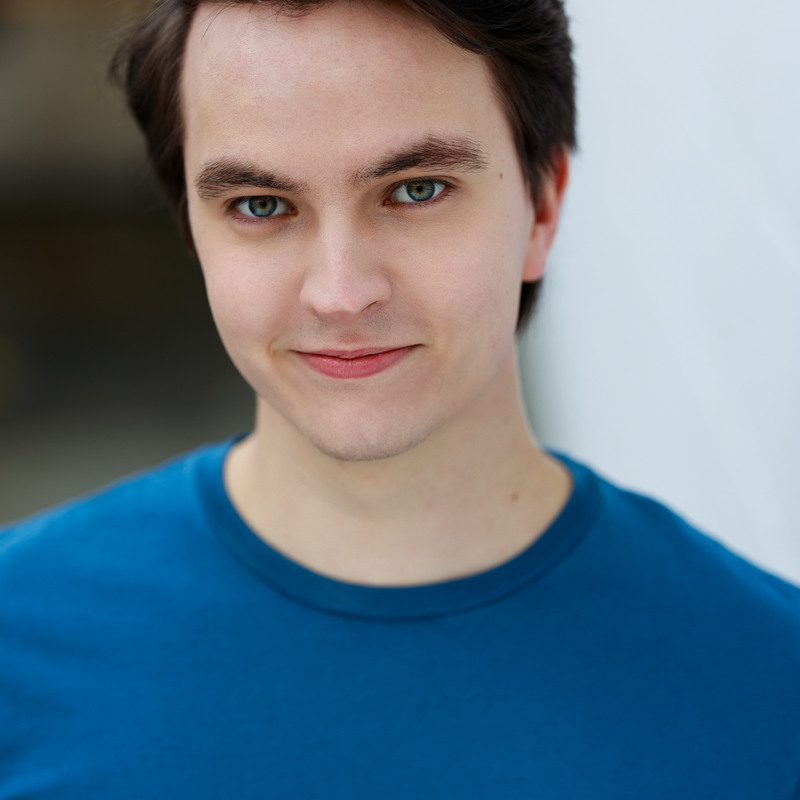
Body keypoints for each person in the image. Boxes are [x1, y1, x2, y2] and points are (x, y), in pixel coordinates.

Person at [1, 0, 798, 797]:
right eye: (261, 205)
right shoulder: (20, 641)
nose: (341, 293)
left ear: (543, 207)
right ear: (193, 231)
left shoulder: (769, 686)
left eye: (416, 189)